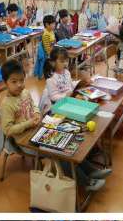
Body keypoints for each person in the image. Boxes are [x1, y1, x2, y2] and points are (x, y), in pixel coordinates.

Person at [41, 47, 111, 191]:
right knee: (66, 147)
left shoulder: (66, 73)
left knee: (73, 141)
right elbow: (53, 97)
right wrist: (66, 95)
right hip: (59, 110)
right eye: (62, 61)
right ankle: (88, 180)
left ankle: (92, 171)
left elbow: (70, 85)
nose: (65, 63)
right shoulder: (50, 79)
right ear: (53, 62)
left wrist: (79, 83)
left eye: (66, 61)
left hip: (69, 105)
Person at [0, 58, 42, 155]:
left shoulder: (25, 92)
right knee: (47, 149)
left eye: (22, 80)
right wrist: (28, 124)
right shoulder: (7, 104)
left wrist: (36, 112)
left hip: (33, 130)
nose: (19, 85)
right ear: (5, 83)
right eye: (14, 82)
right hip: (21, 140)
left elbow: (33, 105)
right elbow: (8, 130)